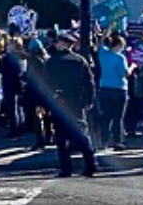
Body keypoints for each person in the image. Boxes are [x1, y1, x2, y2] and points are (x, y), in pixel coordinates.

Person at [45, 31, 97, 178]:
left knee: (61, 137)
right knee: (82, 134)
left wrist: (44, 103)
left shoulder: (52, 61)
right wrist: (89, 100)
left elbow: (46, 84)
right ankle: (91, 164)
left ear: (62, 44)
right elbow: (89, 82)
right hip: (76, 102)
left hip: (58, 101)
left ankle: (66, 168)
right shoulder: (80, 60)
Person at [96, 34, 131, 151]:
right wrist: (133, 67)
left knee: (106, 116)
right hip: (119, 88)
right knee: (118, 117)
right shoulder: (120, 58)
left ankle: (103, 141)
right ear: (119, 45)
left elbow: (101, 41)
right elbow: (124, 73)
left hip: (104, 87)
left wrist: (108, 30)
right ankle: (118, 141)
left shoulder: (103, 54)